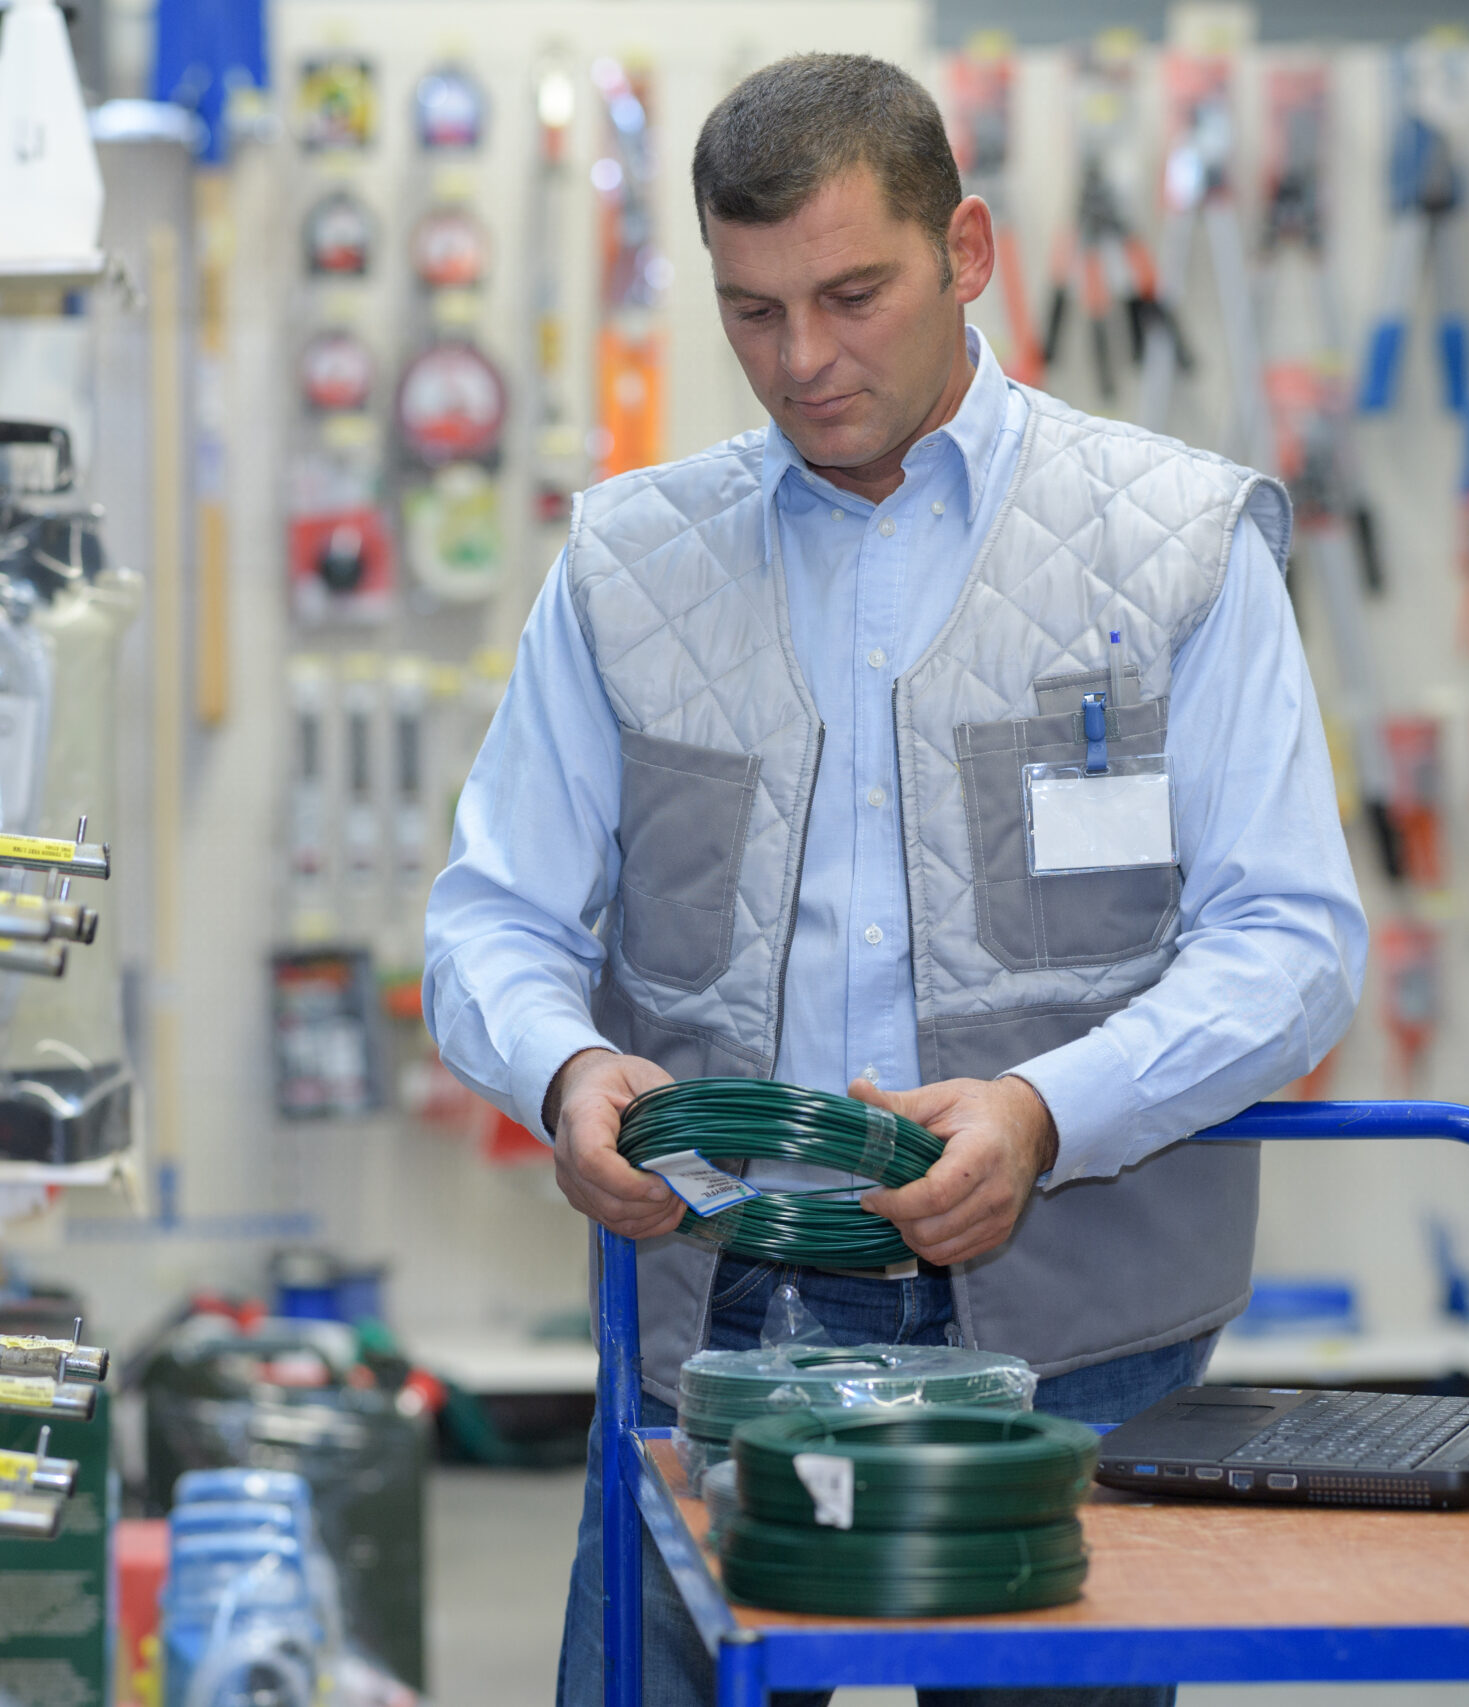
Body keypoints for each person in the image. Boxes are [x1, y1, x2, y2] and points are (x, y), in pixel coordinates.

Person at [422, 52, 1365, 1707]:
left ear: (970, 251)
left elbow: (1289, 943)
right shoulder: (627, 566)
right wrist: (564, 1071)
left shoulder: (1177, 545)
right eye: (753, 311)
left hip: (1076, 1337)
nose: (803, 361)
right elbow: (492, 917)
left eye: (853, 294)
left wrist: (1045, 1115)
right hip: (717, 1314)